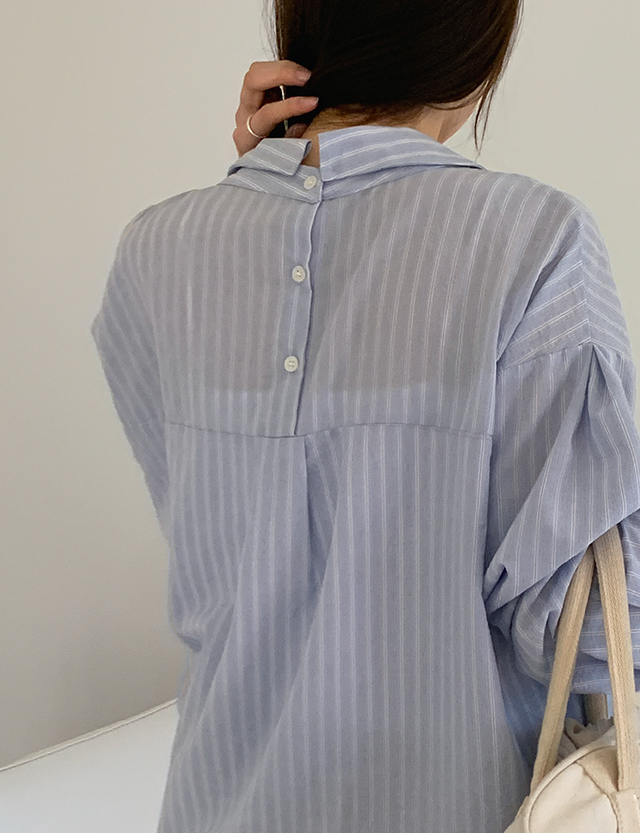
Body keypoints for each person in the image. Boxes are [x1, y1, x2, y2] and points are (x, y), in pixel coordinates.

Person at [90, 2, 640, 831]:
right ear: (478, 49)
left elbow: (227, 555)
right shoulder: (536, 242)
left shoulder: (156, 249)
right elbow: (590, 630)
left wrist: (269, 186)